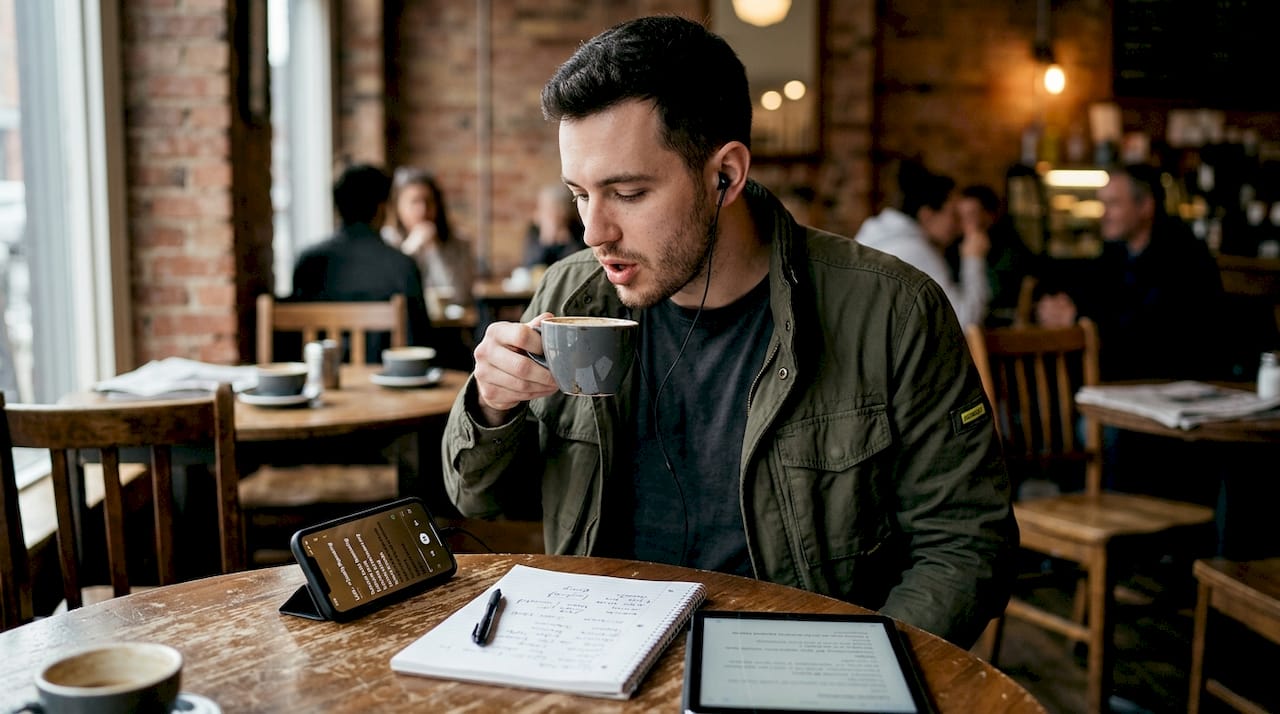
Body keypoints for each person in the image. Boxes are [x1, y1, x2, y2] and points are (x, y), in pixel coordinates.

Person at [441, 15, 1015, 648]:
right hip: (598, 657)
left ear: (726, 175)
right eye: (579, 194)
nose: (593, 231)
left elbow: (965, 544)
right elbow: (481, 500)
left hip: (795, 663)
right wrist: (492, 406)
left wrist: (862, 672)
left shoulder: (892, 312)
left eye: (627, 193)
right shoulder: (569, 295)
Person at [1034, 164, 1226, 382]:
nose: (1103, 214)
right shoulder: (1117, 252)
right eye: (1102, 203)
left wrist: (1078, 319)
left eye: (1113, 204)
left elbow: (1148, 336)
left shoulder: (1183, 256)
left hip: (1174, 384)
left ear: (1145, 206)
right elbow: (1093, 296)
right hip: (1125, 382)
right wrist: (1060, 307)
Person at [291, 163, 433, 358]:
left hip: (321, 380)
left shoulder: (307, 262)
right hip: (386, 383)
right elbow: (420, 343)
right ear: (382, 208)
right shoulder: (402, 266)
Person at [854, 160, 992, 327]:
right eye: (953, 214)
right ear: (927, 215)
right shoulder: (913, 250)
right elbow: (964, 321)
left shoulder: (880, 233)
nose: (960, 225)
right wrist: (973, 259)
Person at [383, 167, 475, 307]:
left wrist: (434, 250)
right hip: (406, 324)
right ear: (397, 206)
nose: (423, 210)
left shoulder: (459, 243)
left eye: (428, 201)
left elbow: (460, 297)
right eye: (414, 202)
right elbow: (388, 293)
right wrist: (410, 250)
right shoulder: (387, 241)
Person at [955, 183, 1038, 326]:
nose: (965, 222)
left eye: (971, 214)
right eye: (961, 216)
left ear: (990, 215)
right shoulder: (954, 248)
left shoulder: (1010, 249)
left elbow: (1028, 282)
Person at [524, 183, 586, 268]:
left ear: (563, 212)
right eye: (542, 208)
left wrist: (566, 240)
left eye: (549, 209)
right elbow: (530, 265)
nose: (542, 213)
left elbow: (579, 264)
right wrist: (545, 240)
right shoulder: (535, 229)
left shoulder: (577, 229)